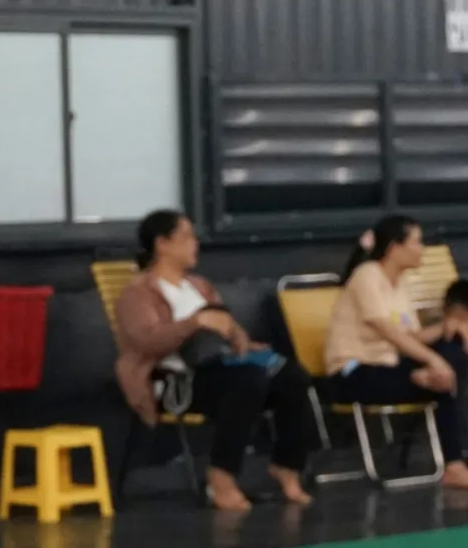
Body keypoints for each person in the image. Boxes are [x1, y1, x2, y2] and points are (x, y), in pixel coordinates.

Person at [115, 209, 317, 512]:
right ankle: (221, 477)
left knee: (291, 376)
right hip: (172, 382)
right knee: (246, 381)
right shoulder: (138, 292)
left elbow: (228, 325)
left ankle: (287, 466)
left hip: (215, 367)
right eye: (186, 237)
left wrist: (239, 339)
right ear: (162, 244)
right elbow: (145, 341)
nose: (194, 243)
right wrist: (194, 323)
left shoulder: (199, 285)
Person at [320, 214, 468, 492]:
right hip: (352, 372)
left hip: (390, 366)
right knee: (441, 367)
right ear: (394, 247)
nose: (421, 249)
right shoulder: (367, 275)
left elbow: (412, 337)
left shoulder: (400, 285)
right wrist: (432, 360)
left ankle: (455, 464)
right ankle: (422, 386)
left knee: (452, 353)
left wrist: (448, 326)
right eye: (416, 242)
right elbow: (388, 331)